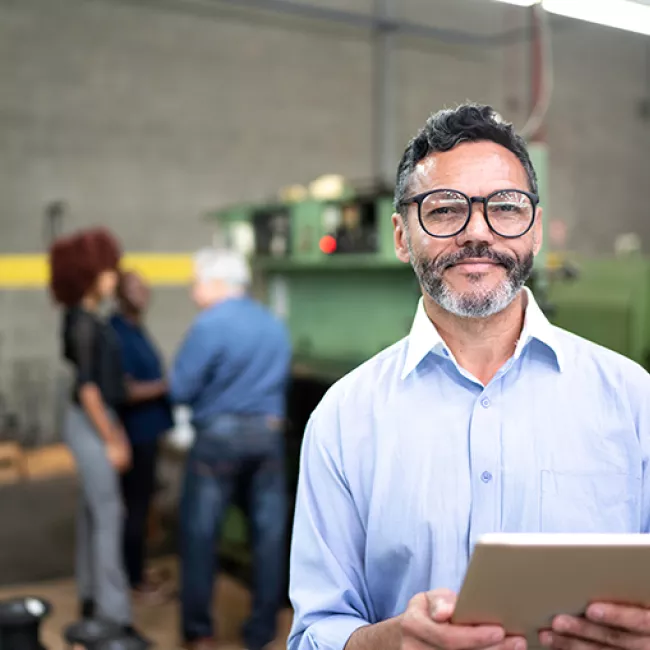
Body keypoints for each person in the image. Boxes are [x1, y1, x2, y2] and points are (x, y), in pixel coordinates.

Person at [287, 103, 650, 650]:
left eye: (505, 208)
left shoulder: (632, 399)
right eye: (443, 209)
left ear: (536, 231)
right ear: (402, 236)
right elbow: (313, 633)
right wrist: (392, 642)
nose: (477, 232)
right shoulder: (343, 419)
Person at [170, 248, 292, 650]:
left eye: (199, 282)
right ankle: (261, 631)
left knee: (200, 534)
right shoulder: (273, 323)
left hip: (218, 440)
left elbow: (180, 389)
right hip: (268, 437)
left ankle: (199, 631)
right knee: (270, 537)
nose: (193, 292)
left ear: (220, 283)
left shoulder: (209, 325)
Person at [49, 228, 148, 646]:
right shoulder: (82, 322)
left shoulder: (87, 318)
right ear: (88, 272)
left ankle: (92, 600)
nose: (113, 275)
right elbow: (89, 389)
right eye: (106, 267)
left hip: (95, 418)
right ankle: (115, 617)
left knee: (94, 514)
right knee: (109, 515)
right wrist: (113, 438)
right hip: (91, 420)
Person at [110, 271, 174, 604]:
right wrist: (166, 386)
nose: (143, 292)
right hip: (134, 434)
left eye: (145, 286)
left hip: (149, 431)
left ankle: (137, 569)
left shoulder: (136, 329)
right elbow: (123, 388)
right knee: (134, 508)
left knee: (145, 505)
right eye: (135, 287)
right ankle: (132, 579)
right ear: (120, 294)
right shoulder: (117, 333)